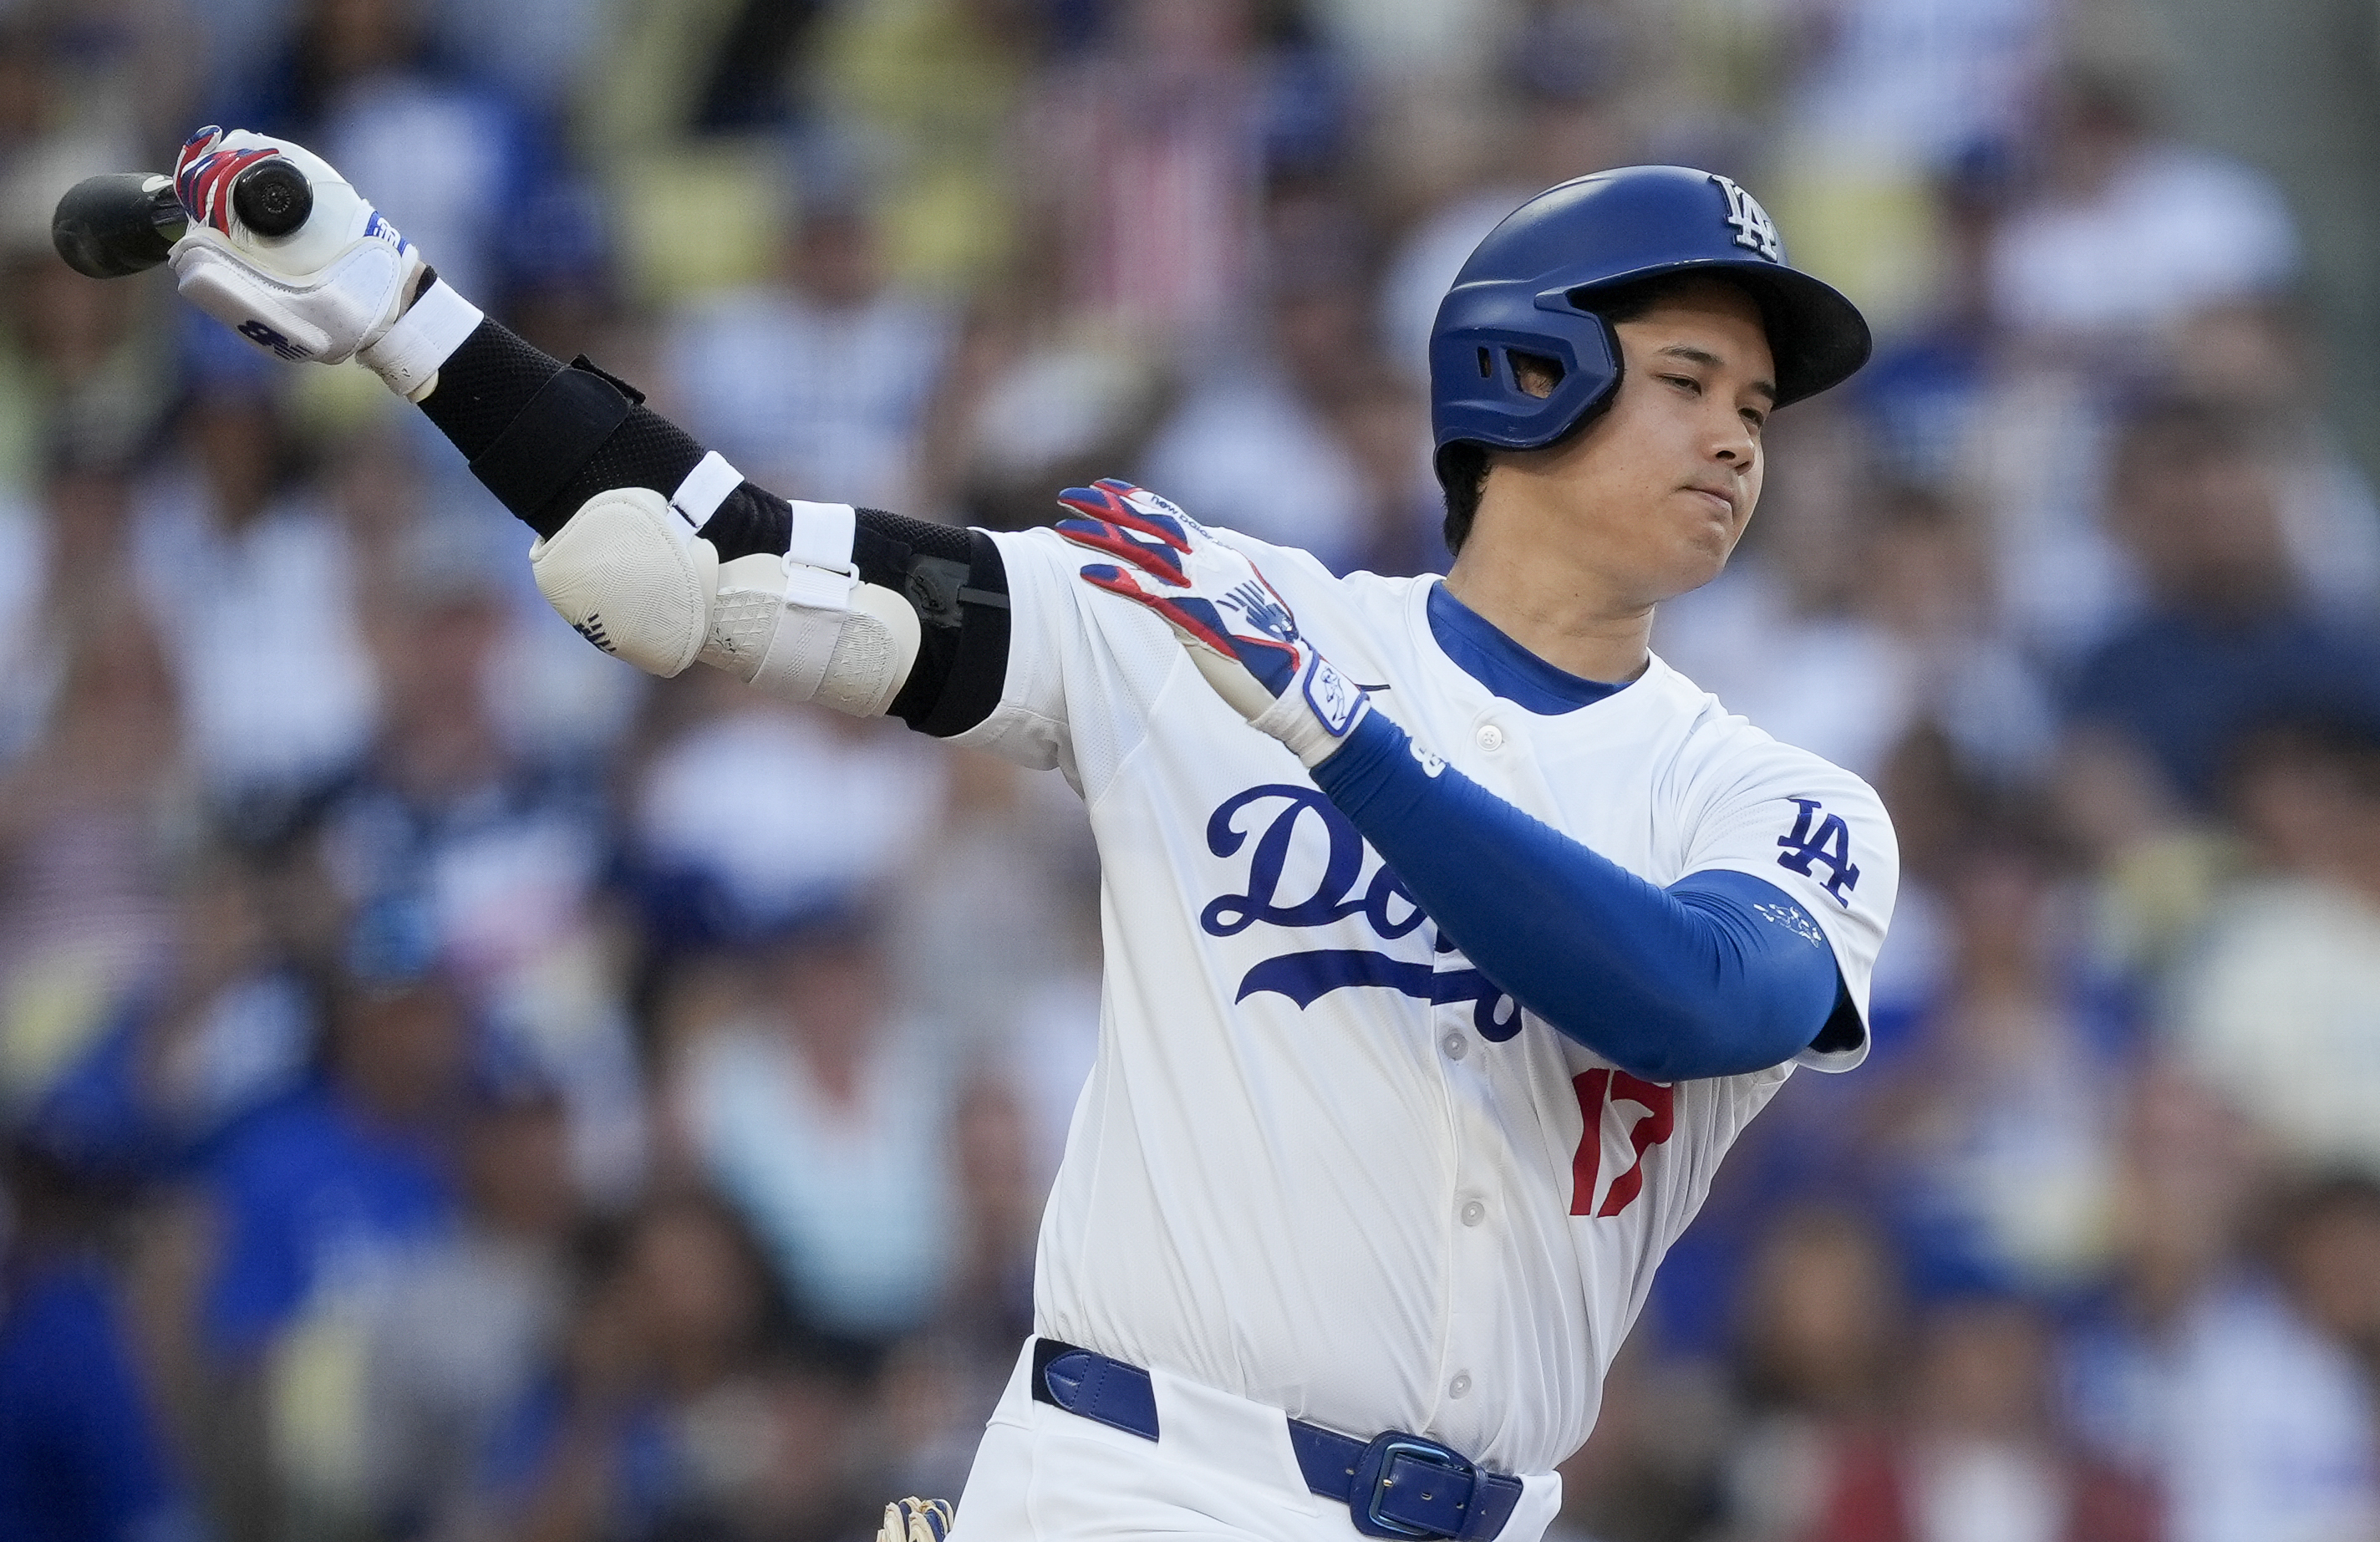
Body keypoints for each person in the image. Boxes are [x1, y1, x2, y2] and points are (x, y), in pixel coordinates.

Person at [160, 125, 1897, 1542]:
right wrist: (405, 318)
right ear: (1530, 371)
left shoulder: (1775, 797)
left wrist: (1341, 745)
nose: (1734, 437)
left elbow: (1692, 998)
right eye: (1687, 377)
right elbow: (717, 555)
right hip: (1137, 1481)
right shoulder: (1208, 613)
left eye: (1755, 408)